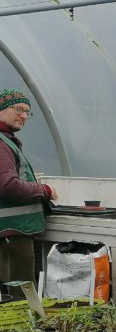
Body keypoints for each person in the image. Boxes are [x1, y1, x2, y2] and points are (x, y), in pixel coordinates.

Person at [0, 89, 58, 284]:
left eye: (27, 112)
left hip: (11, 233)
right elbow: (7, 185)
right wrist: (44, 191)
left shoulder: (7, 141)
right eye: (18, 109)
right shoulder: (1, 144)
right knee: (20, 300)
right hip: (12, 235)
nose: (24, 116)